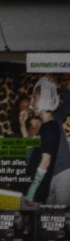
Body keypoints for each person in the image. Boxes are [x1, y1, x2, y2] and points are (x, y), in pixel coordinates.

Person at [23, 77, 70, 208]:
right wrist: (24, 126)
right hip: (46, 177)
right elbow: (29, 159)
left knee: (62, 213)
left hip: (63, 171)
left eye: (34, 99)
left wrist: (59, 87)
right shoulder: (36, 130)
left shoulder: (55, 117)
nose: (31, 105)